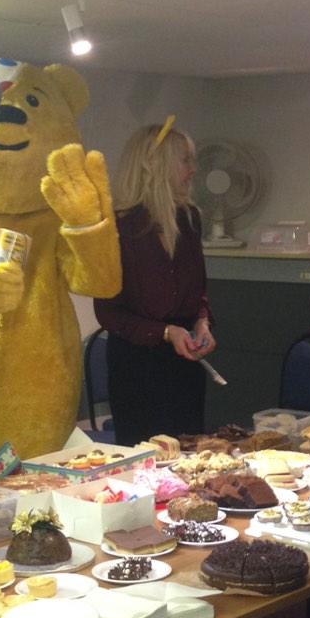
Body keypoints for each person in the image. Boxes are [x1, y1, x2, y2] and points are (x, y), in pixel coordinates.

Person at [94, 117, 215, 446]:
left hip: (184, 361)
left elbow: (198, 290)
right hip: (137, 364)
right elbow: (108, 312)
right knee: (145, 459)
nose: (193, 169)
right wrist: (164, 332)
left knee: (189, 457)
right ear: (155, 165)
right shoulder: (119, 227)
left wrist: (202, 322)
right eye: (185, 160)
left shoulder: (189, 218)